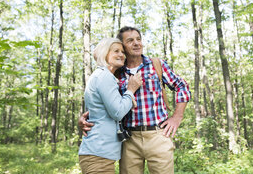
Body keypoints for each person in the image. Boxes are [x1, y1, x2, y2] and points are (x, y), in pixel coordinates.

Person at [79, 26, 191, 174]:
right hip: (128, 140)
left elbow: (182, 86)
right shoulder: (116, 72)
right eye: (130, 40)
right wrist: (86, 117)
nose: (137, 43)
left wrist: (177, 117)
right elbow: (107, 102)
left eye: (138, 39)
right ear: (122, 46)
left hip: (158, 136)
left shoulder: (156, 65)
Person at [78, 38, 143, 174]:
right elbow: (118, 112)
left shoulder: (102, 76)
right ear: (104, 53)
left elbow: (97, 112)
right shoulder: (104, 76)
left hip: (100, 154)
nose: (122, 55)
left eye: (123, 52)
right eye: (116, 51)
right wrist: (131, 90)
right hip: (98, 156)